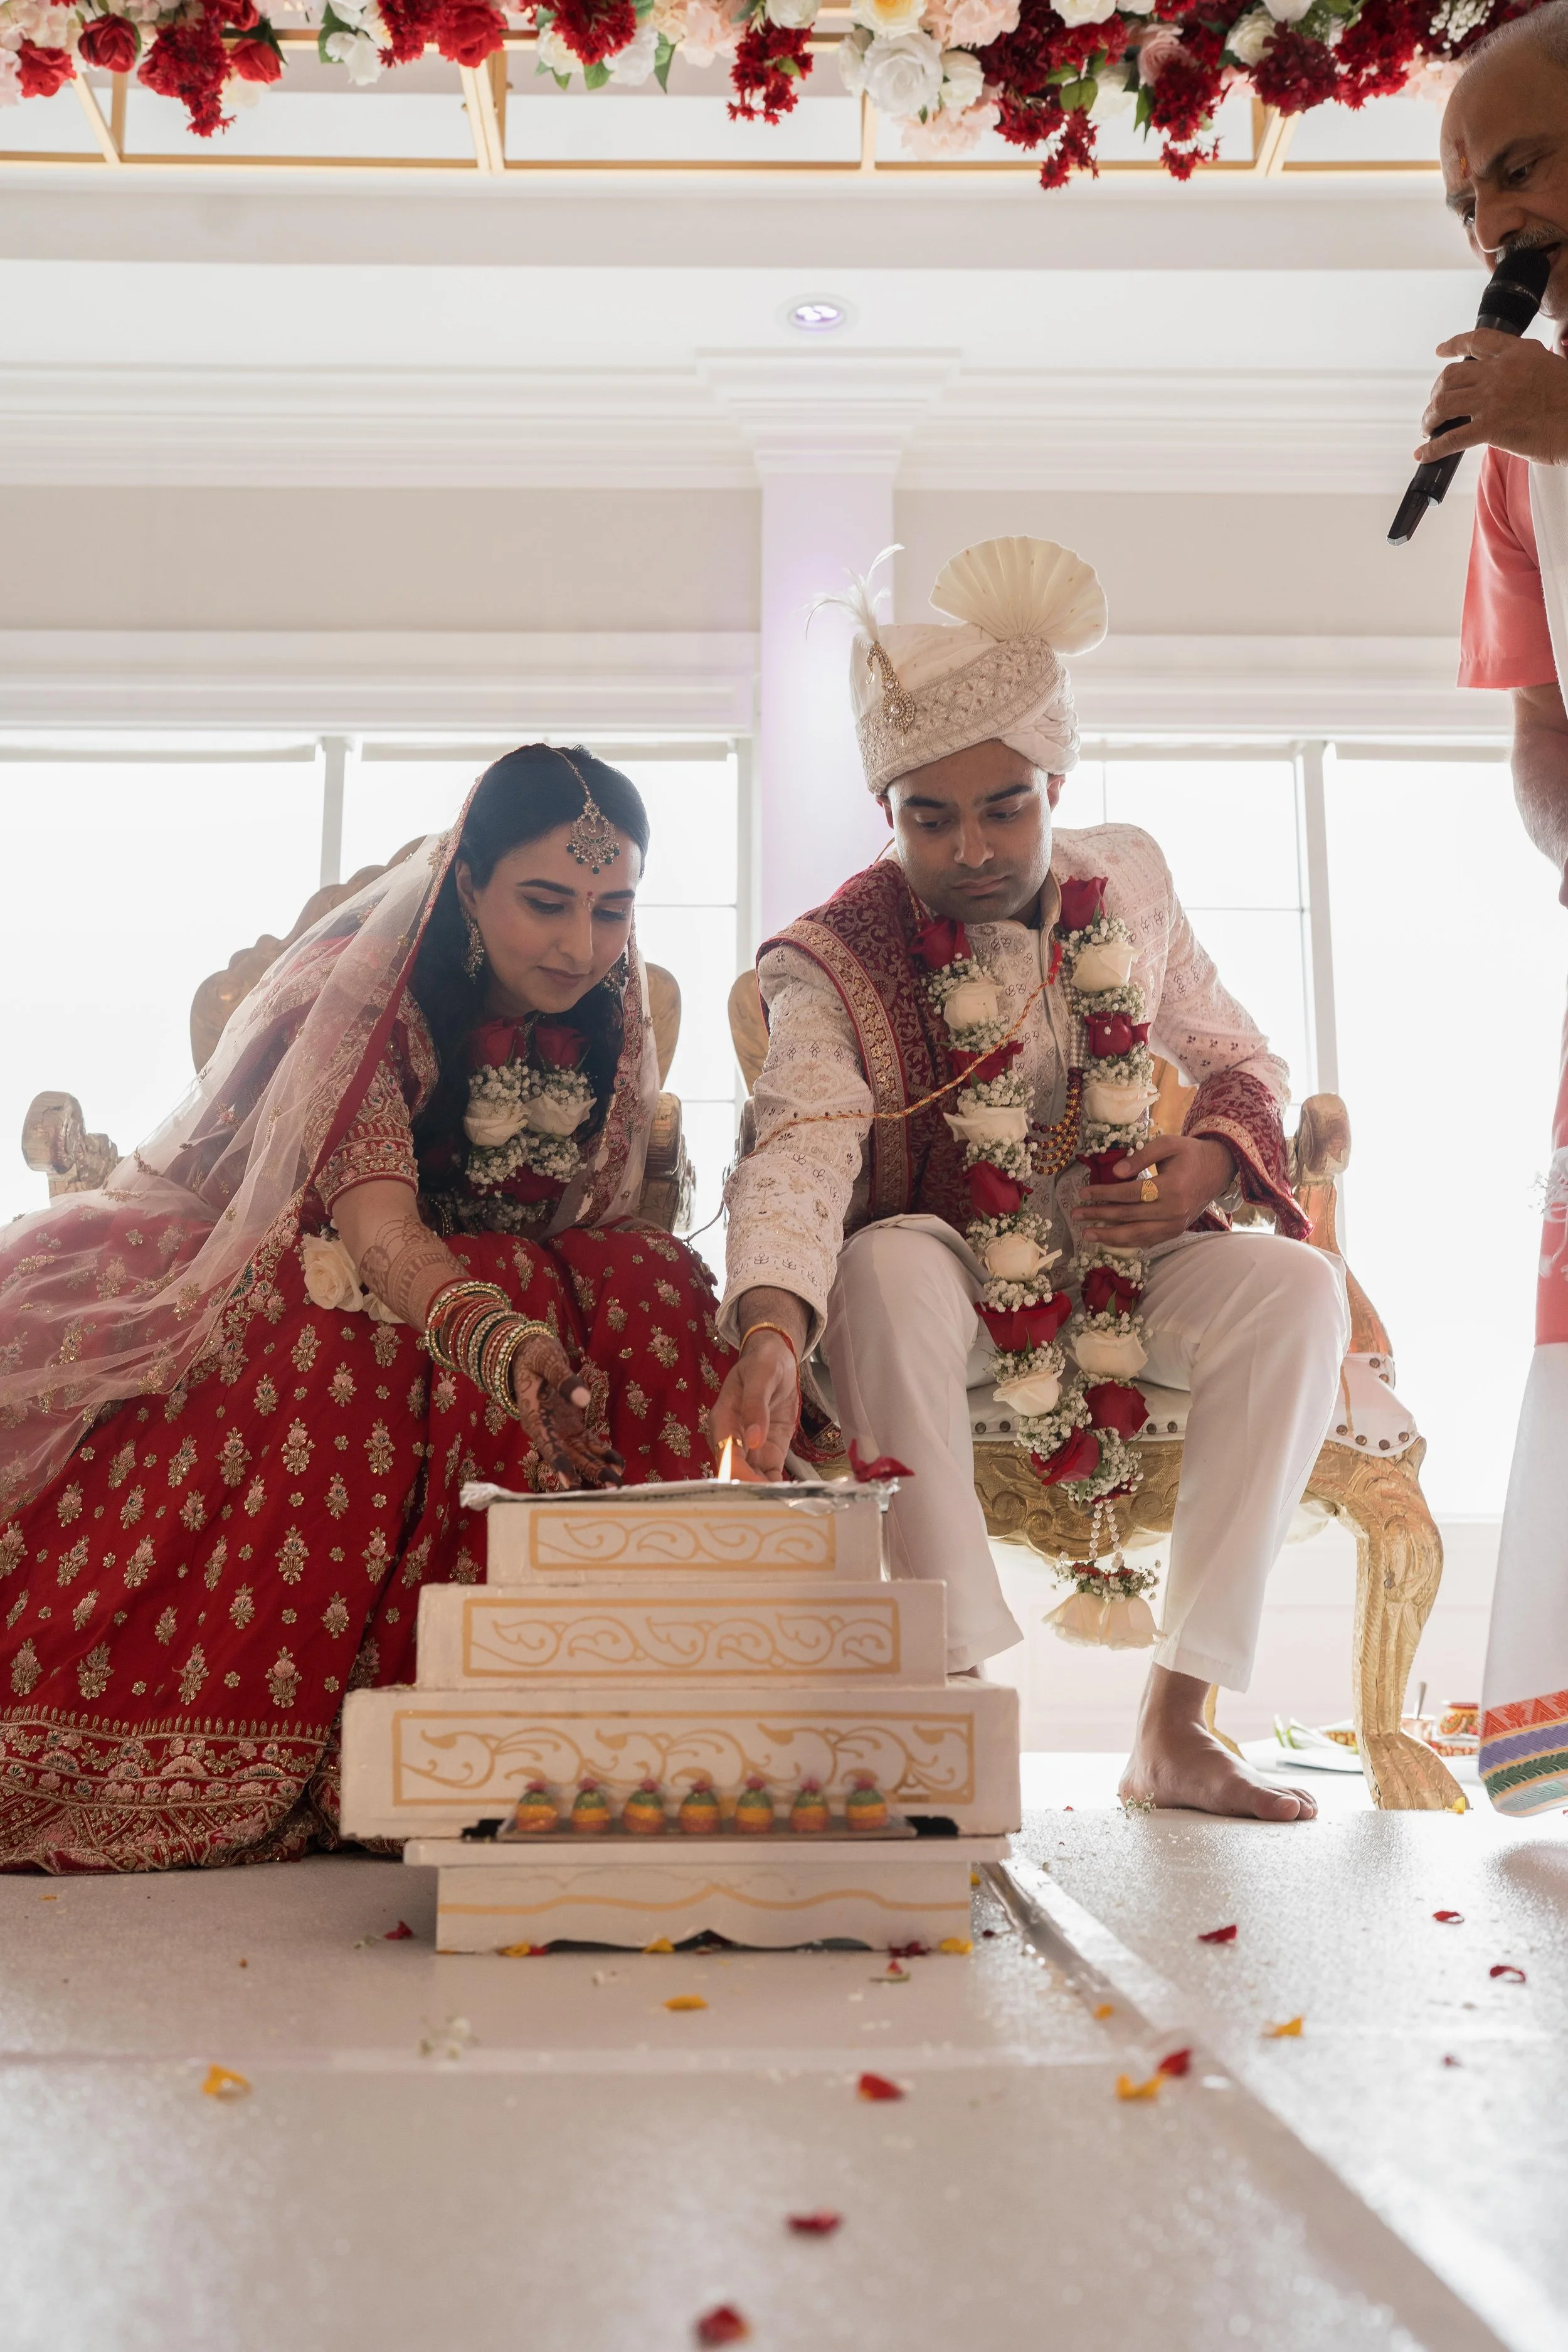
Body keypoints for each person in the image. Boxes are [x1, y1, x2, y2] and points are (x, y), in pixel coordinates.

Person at [0, 746, 731, 1872]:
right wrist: (511, 1344)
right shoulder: (364, 992)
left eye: (612, 908)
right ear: (468, 884)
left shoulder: (608, 1006)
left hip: (476, 1283)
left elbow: (607, 1214)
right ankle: (314, 1735)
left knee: (652, 1289)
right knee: (319, 1330)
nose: (581, 945)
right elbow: (381, 1237)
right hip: (323, 1263)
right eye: (545, 902)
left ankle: (586, 1726)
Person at [712, 535, 1348, 1823]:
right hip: (942, 1292)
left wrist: (1205, 1163)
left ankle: (1175, 1725)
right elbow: (801, 1146)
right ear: (885, 815)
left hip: (1128, 1264)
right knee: (883, 1260)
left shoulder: (1133, 880)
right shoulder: (829, 959)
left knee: (1292, 1289)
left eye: (1006, 806)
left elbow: (1237, 1055)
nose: (972, 847)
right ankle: (950, 1701)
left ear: (1053, 784)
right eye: (929, 817)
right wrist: (772, 1329)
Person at [1417, 6, 1568, 1814]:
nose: (1486, 233)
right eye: (1461, 205)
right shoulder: (1515, 461)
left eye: (1516, 170)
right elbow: (1540, 715)